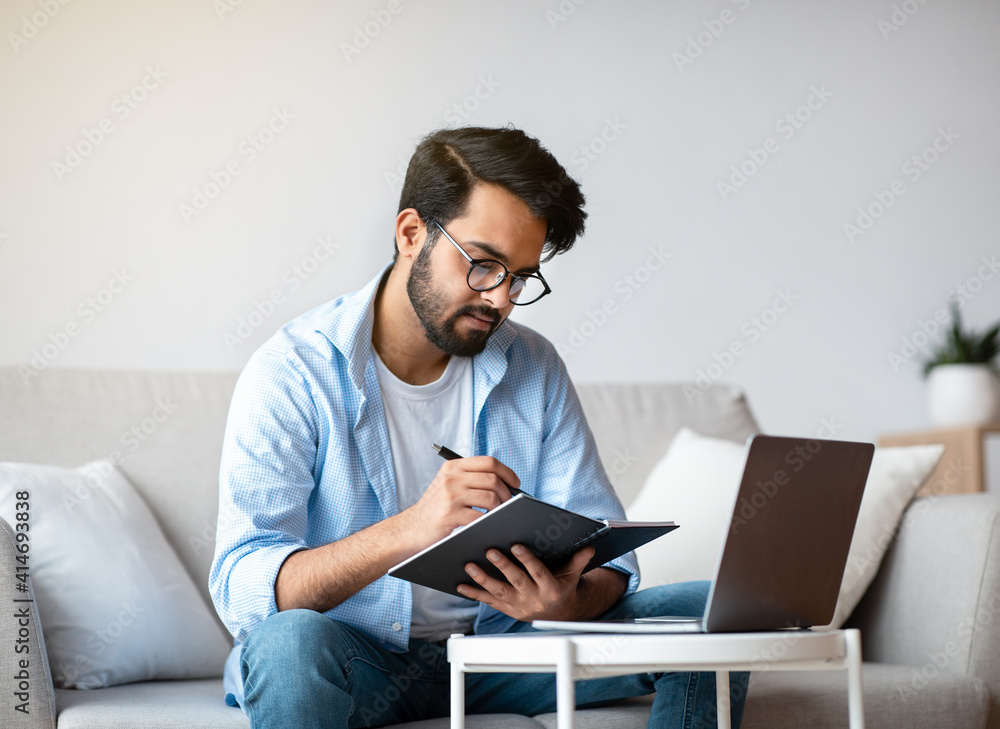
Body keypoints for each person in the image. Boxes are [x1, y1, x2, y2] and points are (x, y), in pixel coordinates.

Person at [209, 125, 749, 729]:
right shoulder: (293, 371)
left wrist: (567, 600)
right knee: (290, 646)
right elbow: (243, 590)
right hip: (358, 661)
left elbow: (609, 566)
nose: (500, 301)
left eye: (519, 276)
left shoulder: (532, 366)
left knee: (711, 610)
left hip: (504, 655)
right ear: (411, 234)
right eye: (484, 266)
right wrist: (411, 529)